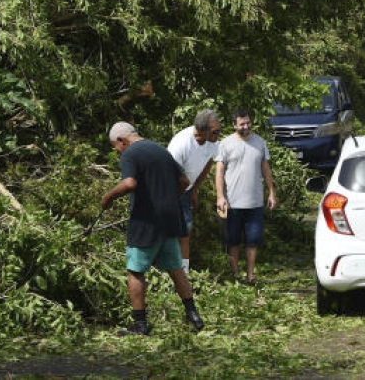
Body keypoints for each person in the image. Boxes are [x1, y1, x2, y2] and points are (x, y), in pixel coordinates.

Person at [101, 121, 204, 335]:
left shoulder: (130, 154)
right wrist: (169, 197)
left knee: (135, 271)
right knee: (176, 268)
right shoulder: (161, 150)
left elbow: (129, 183)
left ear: (122, 140)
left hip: (146, 220)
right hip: (170, 219)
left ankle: (140, 324)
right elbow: (184, 180)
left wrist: (108, 196)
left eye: (116, 147)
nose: (117, 151)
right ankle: (193, 314)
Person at [214, 107, 277, 284]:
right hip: (232, 203)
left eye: (248, 122)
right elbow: (219, 172)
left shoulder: (260, 142)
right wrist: (220, 196)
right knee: (232, 241)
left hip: (255, 202)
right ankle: (235, 276)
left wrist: (271, 192)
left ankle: (250, 276)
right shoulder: (225, 144)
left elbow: (266, 168)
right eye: (242, 124)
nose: (246, 126)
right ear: (234, 125)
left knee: (253, 241)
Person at [167, 109, 222, 274]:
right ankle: (164, 273)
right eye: (215, 131)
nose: (219, 134)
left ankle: (184, 273)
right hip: (169, 191)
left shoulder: (212, 142)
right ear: (202, 130)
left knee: (186, 232)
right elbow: (170, 174)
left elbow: (207, 164)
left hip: (186, 192)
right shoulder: (181, 143)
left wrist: (194, 190)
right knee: (168, 234)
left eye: (220, 130)